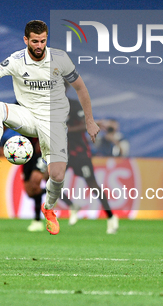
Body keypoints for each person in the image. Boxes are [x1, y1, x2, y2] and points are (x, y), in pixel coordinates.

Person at [0, 20, 100, 235]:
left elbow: (81, 89)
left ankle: (48, 209)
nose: (39, 45)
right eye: (35, 41)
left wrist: (90, 120)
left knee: (57, 175)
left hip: (53, 122)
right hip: (27, 116)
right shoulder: (17, 60)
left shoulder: (60, 59)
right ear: (26, 40)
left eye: (43, 41)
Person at [66, 85, 118, 234]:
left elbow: (86, 125)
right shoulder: (48, 105)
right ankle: (72, 205)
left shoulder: (73, 105)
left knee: (92, 184)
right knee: (50, 178)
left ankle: (111, 217)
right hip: (61, 151)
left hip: (79, 151)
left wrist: (65, 130)